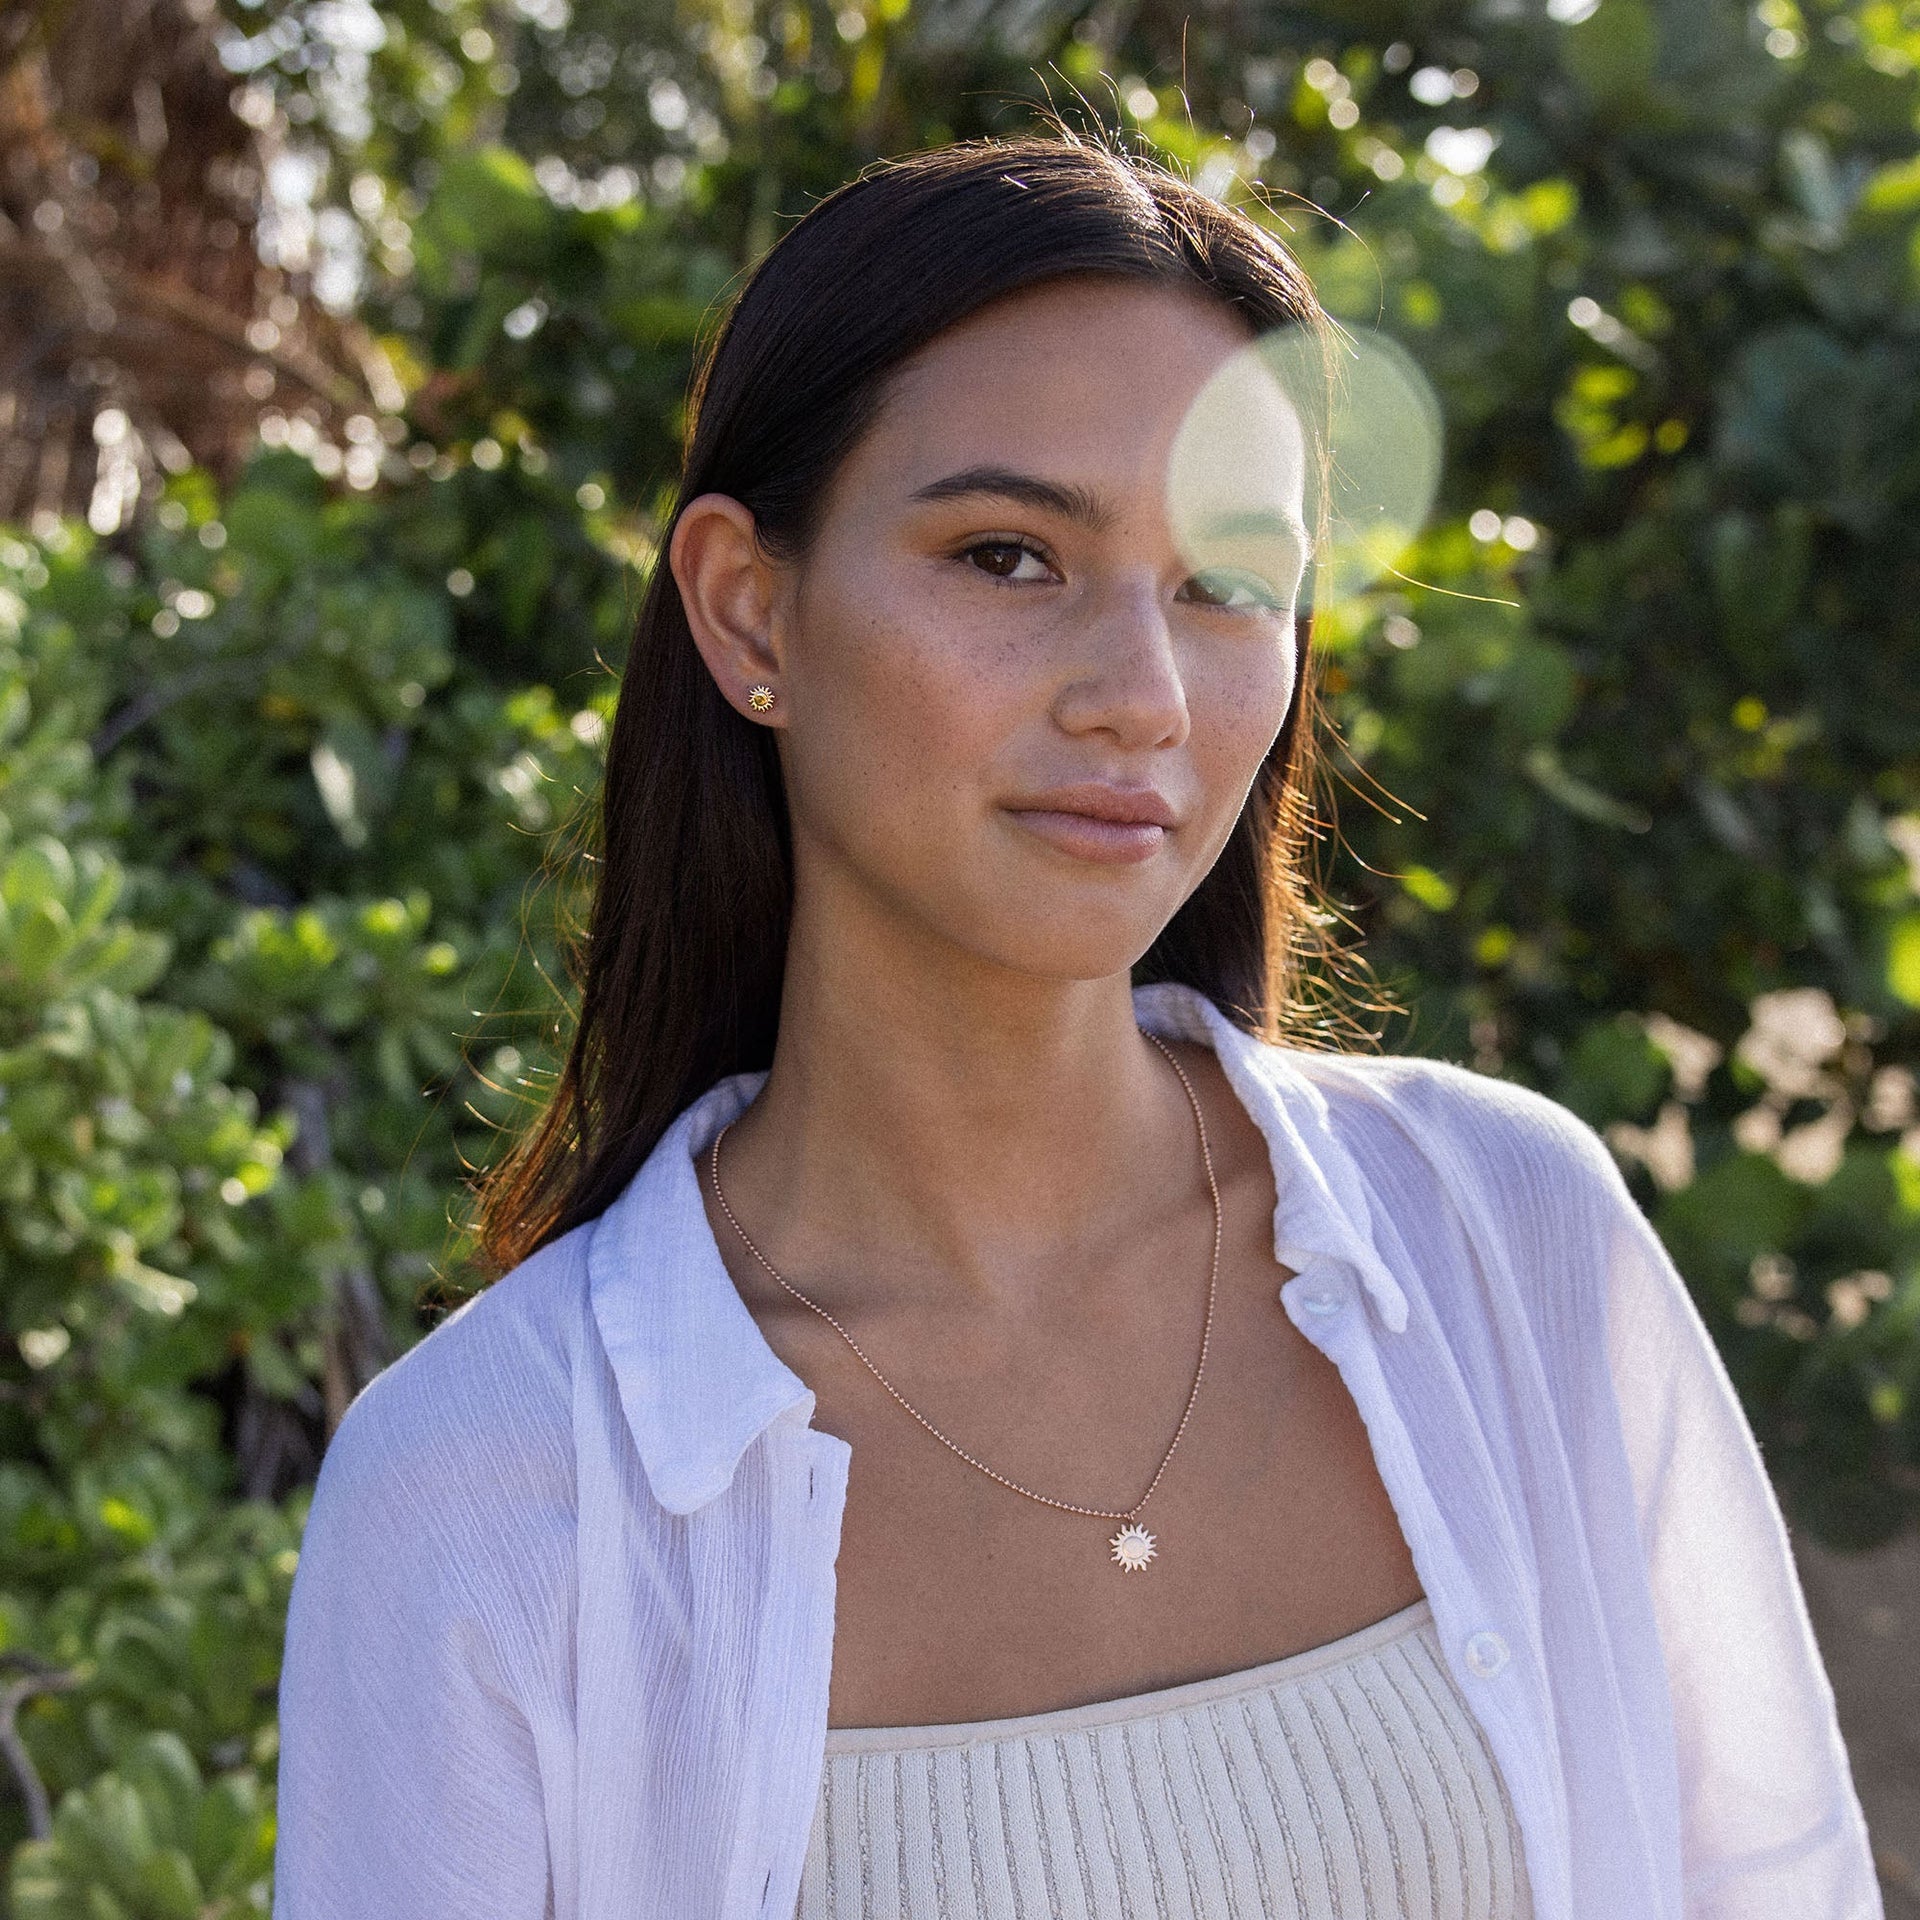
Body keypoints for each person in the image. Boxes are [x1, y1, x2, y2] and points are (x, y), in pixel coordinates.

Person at [269, 131, 1882, 1920]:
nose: (1143, 694)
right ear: (749, 609)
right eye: (1011, 556)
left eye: (1227, 585)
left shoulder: (1513, 1240)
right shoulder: (490, 1497)